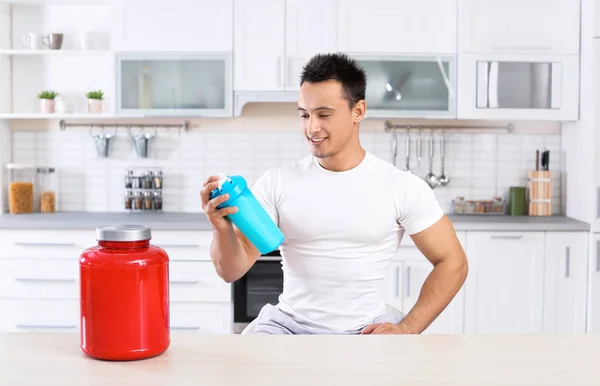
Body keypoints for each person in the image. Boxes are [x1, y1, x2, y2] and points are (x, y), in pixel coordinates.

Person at [200, 53, 468, 335]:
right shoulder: (276, 182)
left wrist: (409, 327)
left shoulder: (401, 186)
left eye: (324, 114)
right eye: (304, 115)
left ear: (359, 111)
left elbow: (453, 262)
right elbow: (231, 271)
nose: (311, 128)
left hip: (366, 330)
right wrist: (221, 229)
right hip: (287, 327)